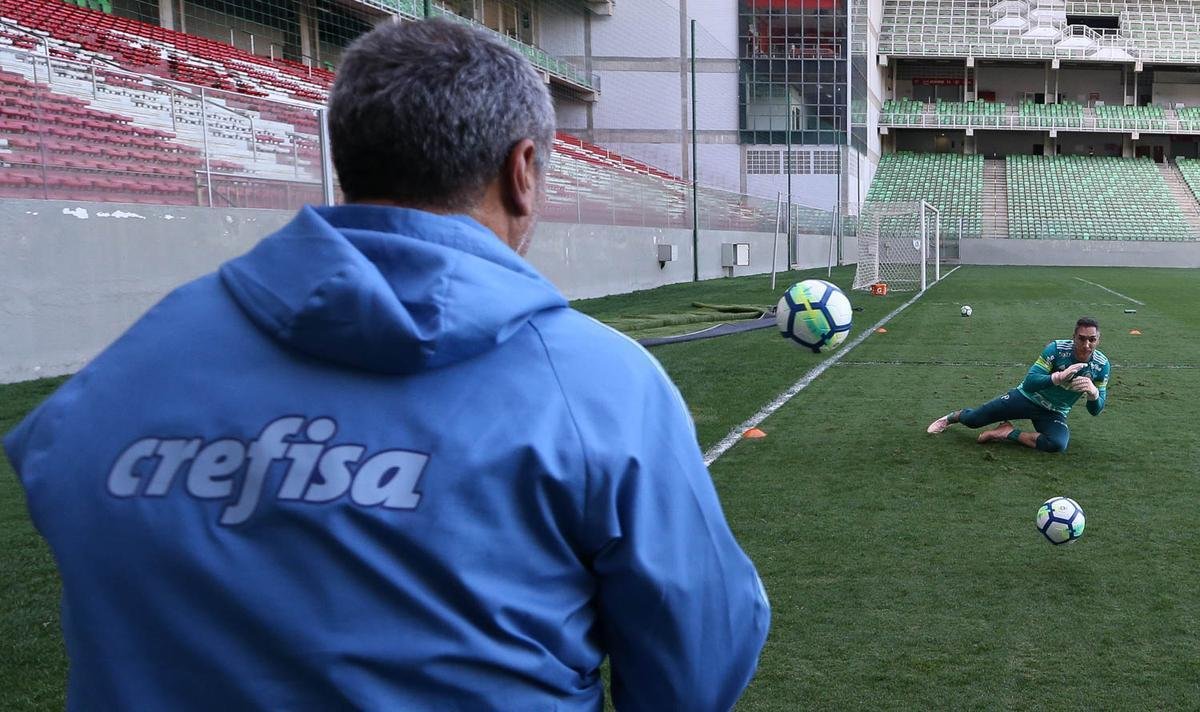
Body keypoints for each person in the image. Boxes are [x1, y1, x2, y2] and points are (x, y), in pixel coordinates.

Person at [3, 19, 769, 711]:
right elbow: (698, 652)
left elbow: (59, 480)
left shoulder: (133, 362)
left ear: (346, 165)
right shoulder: (599, 384)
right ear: (523, 170)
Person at [926, 317, 1109, 452]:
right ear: (1074, 337)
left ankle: (1007, 432)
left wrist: (1093, 394)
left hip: (1054, 411)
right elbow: (1030, 383)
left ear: (1098, 340)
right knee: (974, 420)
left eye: (1092, 339)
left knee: (1057, 444)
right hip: (1026, 398)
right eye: (1082, 338)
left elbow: (1096, 410)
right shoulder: (1056, 349)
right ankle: (951, 418)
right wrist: (1059, 376)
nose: (1086, 345)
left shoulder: (1101, 365)